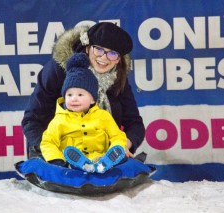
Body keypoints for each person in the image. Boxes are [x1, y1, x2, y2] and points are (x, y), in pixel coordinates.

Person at [22, 22, 145, 159]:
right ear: (87, 48)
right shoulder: (58, 71)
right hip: (56, 153)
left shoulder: (118, 77)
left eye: (112, 53)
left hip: (101, 157)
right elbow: (32, 121)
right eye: (98, 49)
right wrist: (51, 153)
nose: (104, 57)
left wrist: (123, 145)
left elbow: (134, 123)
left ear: (118, 59)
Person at [40, 53, 127, 173]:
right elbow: (48, 142)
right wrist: (56, 159)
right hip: (70, 162)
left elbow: (117, 136)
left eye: (80, 95)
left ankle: (105, 163)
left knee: (124, 160)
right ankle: (78, 166)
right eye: (69, 95)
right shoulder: (59, 120)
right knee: (60, 163)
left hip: (99, 157)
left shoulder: (103, 116)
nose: (74, 99)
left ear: (92, 99)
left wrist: (116, 148)